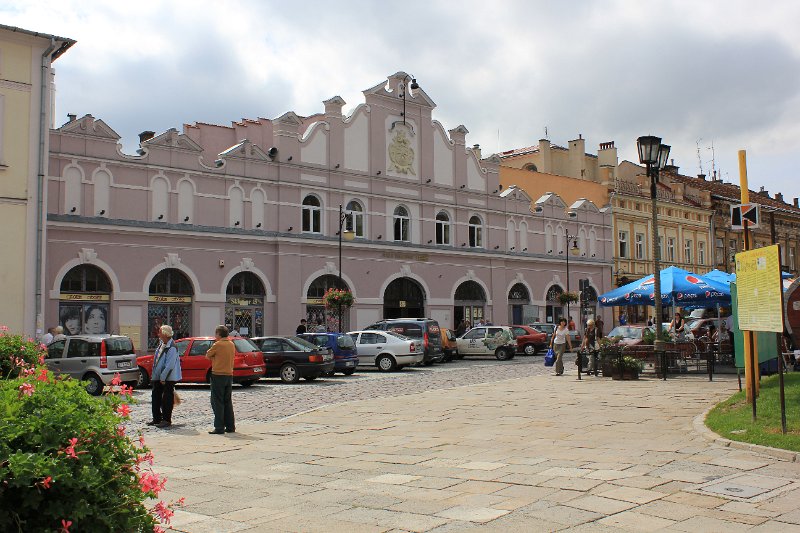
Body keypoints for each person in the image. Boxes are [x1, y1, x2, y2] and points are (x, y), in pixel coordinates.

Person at [147, 324, 182, 429]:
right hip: (158, 376)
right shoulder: (162, 344)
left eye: (160, 332)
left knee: (167, 399)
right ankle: (156, 418)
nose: (159, 335)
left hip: (168, 378)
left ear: (166, 334)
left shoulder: (172, 347)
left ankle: (166, 419)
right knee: (156, 397)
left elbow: (169, 365)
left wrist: (163, 377)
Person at [206, 325, 235, 434]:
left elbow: (208, 355)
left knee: (217, 401)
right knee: (227, 401)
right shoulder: (231, 344)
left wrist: (214, 358)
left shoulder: (218, 344)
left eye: (216, 334)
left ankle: (219, 427)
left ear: (218, 334)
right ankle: (230, 426)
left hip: (218, 374)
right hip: (229, 374)